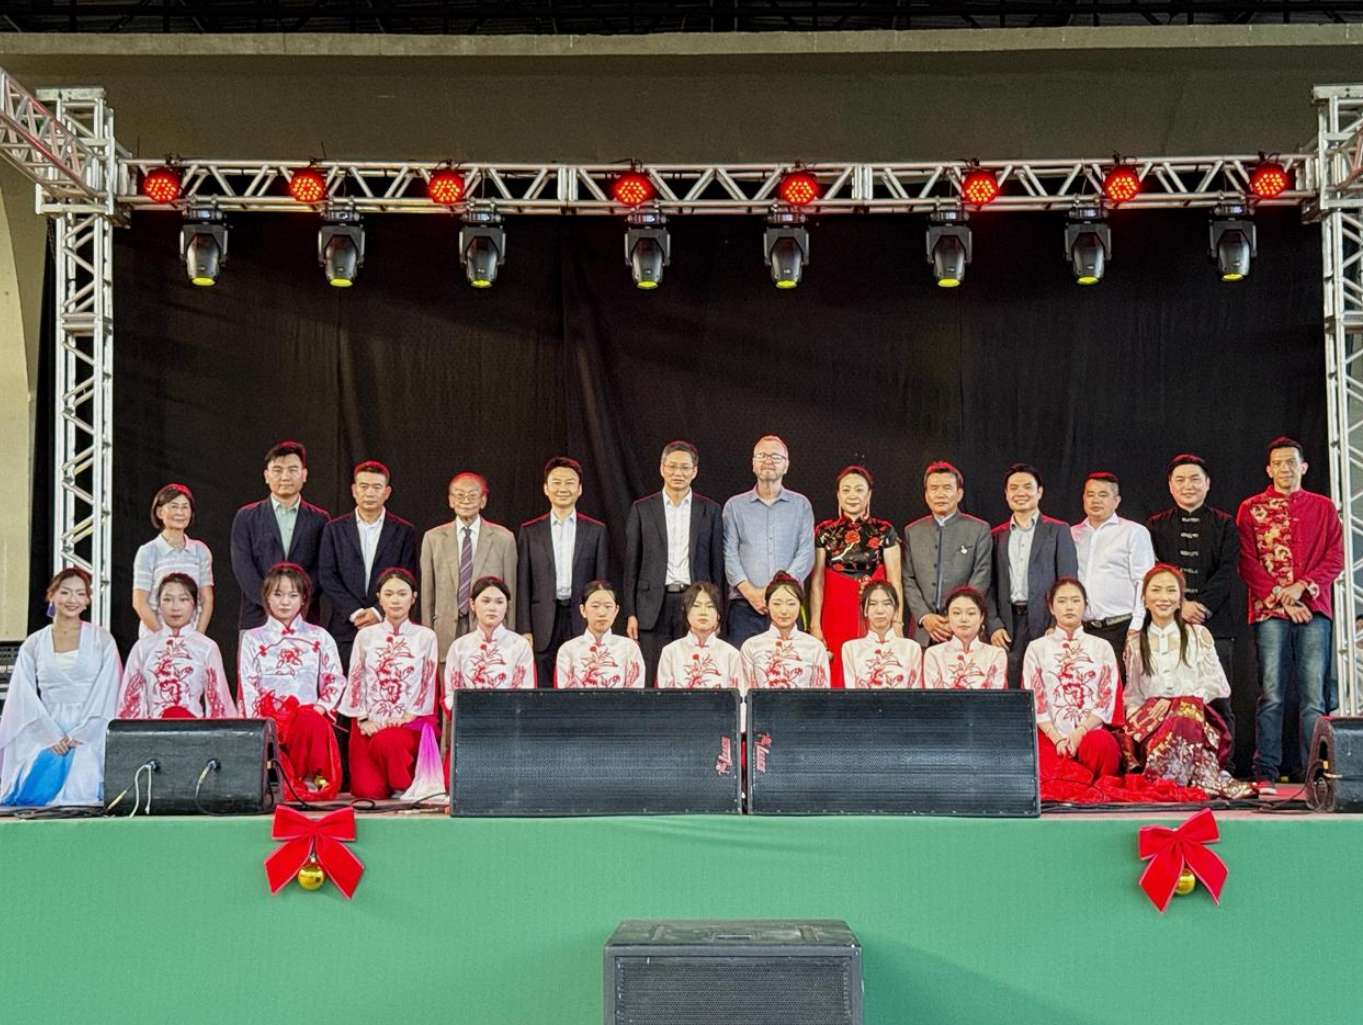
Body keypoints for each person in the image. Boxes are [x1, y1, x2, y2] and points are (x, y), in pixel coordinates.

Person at [1237, 436, 1344, 789]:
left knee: (1314, 696)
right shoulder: (1251, 508)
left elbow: (1335, 556)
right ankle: (1265, 771)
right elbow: (1247, 561)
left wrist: (1302, 587)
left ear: (1304, 467)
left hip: (1314, 608)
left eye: (1291, 462)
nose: (1285, 468)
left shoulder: (1323, 507)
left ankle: (1314, 771)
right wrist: (1280, 597)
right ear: (1269, 469)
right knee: (1272, 693)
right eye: (1278, 463)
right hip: (1270, 611)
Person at [1121, 565, 1253, 799]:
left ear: (1180, 599)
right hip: (1152, 724)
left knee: (1185, 714)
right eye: (1156, 590)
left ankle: (1172, 781)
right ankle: (1172, 780)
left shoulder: (1198, 635)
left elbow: (1218, 685)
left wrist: (1177, 702)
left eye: (1171, 591)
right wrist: (1143, 716)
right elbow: (1133, 695)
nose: (1163, 597)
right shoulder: (1135, 643)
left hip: (1193, 720)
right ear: (1144, 599)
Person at [0, 568, 122, 807]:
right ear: (52, 595)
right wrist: (48, 735)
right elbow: (22, 695)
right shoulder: (34, 643)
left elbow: (109, 690)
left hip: (91, 727)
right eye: (65, 592)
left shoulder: (102, 640)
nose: (72, 600)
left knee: (83, 784)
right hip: (44, 725)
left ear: (87, 600)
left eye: (80, 594)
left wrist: (84, 732)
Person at [1145, 453, 1241, 747]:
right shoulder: (1156, 525)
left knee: (1219, 698)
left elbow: (1228, 570)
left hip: (1216, 622)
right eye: (1180, 480)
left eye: (1195, 479)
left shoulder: (1224, 524)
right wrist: (1181, 605)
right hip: (1169, 621)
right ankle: (1173, 756)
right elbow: (1154, 568)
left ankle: (1224, 760)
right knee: (1170, 694)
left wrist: (1202, 606)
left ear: (1207, 483)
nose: (1188, 486)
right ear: (1170, 486)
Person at [239, 562, 345, 801]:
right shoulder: (253, 639)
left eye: (293, 595)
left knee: (310, 719)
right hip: (272, 722)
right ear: (266, 597)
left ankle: (310, 776)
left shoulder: (319, 636)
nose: (285, 602)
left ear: (304, 598)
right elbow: (248, 686)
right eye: (277, 594)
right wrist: (261, 724)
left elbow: (335, 679)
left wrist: (321, 708)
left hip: (306, 720)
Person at [623, 441, 725, 680]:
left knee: (692, 672)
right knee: (652, 674)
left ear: (694, 471)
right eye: (672, 466)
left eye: (684, 467)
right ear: (662, 468)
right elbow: (631, 565)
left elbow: (717, 566)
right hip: (651, 606)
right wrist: (630, 613)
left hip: (695, 602)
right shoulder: (642, 509)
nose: (678, 473)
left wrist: (718, 612)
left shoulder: (709, 510)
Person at [341, 568, 441, 801]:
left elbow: (428, 681)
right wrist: (363, 719)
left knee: (389, 741)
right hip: (370, 725)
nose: (395, 600)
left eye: (402, 594)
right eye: (389, 594)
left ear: (413, 598)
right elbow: (356, 678)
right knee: (368, 793)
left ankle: (403, 782)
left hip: (408, 724)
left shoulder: (425, 636)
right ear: (379, 598)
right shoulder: (366, 636)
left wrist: (409, 715)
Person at [516, 457, 609, 689]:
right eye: (556, 482)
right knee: (543, 686)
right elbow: (523, 584)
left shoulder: (596, 531)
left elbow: (601, 584)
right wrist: (525, 628)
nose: (563, 488)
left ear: (580, 489)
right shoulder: (530, 531)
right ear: (546, 488)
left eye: (569, 483)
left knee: (581, 679)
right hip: (542, 620)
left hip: (580, 616)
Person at [318, 460, 418, 667]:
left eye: (376, 487)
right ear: (354, 491)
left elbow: (408, 576)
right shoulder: (334, 529)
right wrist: (355, 612)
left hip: (388, 624)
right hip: (345, 626)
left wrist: (377, 611)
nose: (369, 493)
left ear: (387, 492)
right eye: (364, 486)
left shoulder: (404, 531)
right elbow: (327, 575)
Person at [810, 465, 903, 687]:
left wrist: (897, 621)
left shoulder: (884, 530)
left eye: (859, 490)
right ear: (838, 495)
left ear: (869, 494)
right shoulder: (824, 531)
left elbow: (895, 581)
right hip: (835, 611)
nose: (852, 495)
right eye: (846, 490)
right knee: (837, 671)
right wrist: (815, 625)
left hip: (875, 610)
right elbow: (817, 582)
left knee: (876, 668)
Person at [1022, 577, 1122, 783]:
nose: (1069, 607)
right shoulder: (1037, 648)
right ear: (1051, 607)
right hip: (1050, 735)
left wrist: (1080, 733)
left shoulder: (1102, 647)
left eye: (1076, 601)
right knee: (1047, 774)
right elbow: (1035, 701)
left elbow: (1106, 699)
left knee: (1103, 746)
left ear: (1085, 605)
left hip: (1090, 732)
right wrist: (1058, 739)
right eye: (1062, 601)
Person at [986, 464, 1078, 687]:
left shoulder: (1058, 530)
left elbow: (1068, 582)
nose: (1020, 493)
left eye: (1027, 487)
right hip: (1008, 624)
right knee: (1011, 684)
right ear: (1006, 494)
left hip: (1045, 621)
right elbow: (989, 584)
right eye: (1014, 488)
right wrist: (994, 624)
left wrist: (1057, 623)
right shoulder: (996, 535)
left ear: (1040, 492)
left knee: (1047, 683)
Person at [722, 435, 815, 648]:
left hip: (787, 606)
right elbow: (729, 554)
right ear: (753, 464)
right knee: (744, 666)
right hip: (745, 606)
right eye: (762, 455)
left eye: (775, 456)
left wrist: (779, 592)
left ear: (786, 465)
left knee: (789, 664)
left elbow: (806, 553)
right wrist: (752, 593)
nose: (768, 461)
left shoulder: (801, 505)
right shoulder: (735, 506)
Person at [420, 471, 518, 668]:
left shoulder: (504, 539)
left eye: (472, 495)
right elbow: (427, 594)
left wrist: (509, 635)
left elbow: (511, 592)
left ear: (483, 500)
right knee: (449, 685)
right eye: (459, 495)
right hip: (445, 630)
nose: (466, 500)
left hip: (489, 630)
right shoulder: (433, 538)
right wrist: (427, 634)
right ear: (450, 500)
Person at [230, 440, 331, 631]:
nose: (285, 476)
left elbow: (322, 567)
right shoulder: (246, 517)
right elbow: (243, 567)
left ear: (304, 475)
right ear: (266, 476)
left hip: (305, 616)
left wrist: (297, 601)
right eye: (277, 470)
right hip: (258, 617)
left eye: (293, 470)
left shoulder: (320, 519)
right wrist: (271, 602)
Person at [117, 573, 236, 719]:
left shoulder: (207, 647)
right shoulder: (143, 648)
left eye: (183, 599)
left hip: (193, 729)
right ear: (158, 605)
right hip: (152, 730)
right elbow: (130, 704)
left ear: (195, 604)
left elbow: (219, 702)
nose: (175, 607)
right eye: (167, 599)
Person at [901, 461, 992, 647]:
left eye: (947, 488)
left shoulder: (979, 529)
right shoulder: (912, 531)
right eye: (934, 488)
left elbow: (981, 575)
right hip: (923, 632)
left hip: (965, 630)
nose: (940, 494)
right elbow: (908, 579)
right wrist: (924, 616)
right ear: (926, 495)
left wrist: (958, 616)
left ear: (959, 494)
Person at [1070, 472, 1155, 669]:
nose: (1095, 500)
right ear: (1083, 498)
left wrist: (1136, 625)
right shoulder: (1071, 533)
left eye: (1103, 494)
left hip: (1121, 627)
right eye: (1090, 494)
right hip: (1081, 628)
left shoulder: (1133, 532)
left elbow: (1144, 580)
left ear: (1116, 501)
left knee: (1121, 685)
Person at [132, 483, 214, 637]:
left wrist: (197, 637)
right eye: (174, 506)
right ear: (159, 512)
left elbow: (207, 599)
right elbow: (140, 602)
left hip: (191, 637)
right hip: (154, 638)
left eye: (185, 507)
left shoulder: (200, 550)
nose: (180, 512)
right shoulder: (148, 551)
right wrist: (164, 637)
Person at [444, 576, 537, 693]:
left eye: (499, 602)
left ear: (507, 606)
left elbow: (525, 693)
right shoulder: (459, 647)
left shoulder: (520, 645)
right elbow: (451, 694)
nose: (492, 608)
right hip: (468, 706)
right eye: (486, 601)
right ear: (472, 604)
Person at [739, 573, 830, 689]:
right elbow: (746, 692)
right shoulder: (751, 646)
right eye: (776, 604)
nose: (784, 611)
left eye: (791, 604)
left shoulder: (815, 647)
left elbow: (822, 693)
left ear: (800, 605)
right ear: (767, 605)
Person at [554, 580, 646, 688]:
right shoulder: (568, 650)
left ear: (616, 611)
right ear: (583, 610)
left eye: (608, 606)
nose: (602, 613)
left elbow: (636, 693)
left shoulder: (629, 648)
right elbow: (565, 694)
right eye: (595, 606)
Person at [656, 581, 744, 690]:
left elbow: (738, 696)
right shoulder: (670, 652)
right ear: (686, 612)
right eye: (696, 606)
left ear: (718, 615)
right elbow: (665, 697)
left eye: (710, 606)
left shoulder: (731, 654)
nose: (703, 612)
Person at [840, 581, 922, 689]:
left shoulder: (911, 648)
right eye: (873, 604)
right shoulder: (851, 649)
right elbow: (850, 692)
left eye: (886, 604)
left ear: (896, 611)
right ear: (865, 610)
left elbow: (916, 692)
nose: (880, 610)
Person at [921, 586, 1007, 689]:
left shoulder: (996, 654)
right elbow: (932, 695)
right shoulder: (934, 654)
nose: (964, 619)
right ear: (948, 616)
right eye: (956, 613)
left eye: (971, 613)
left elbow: (996, 695)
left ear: (981, 617)